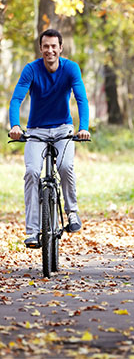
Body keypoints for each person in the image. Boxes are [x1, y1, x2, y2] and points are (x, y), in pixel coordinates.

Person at [9, 29, 90, 248]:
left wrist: (83, 128)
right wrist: (15, 125)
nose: (50, 50)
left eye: (54, 46)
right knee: (32, 172)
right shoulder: (31, 70)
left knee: (65, 167)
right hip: (36, 130)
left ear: (61, 48)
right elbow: (16, 98)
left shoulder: (71, 68)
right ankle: (32, 231)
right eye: (46, 46)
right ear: (41, 48)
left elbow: (81, 99)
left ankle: (72, 212)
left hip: (63, 129)